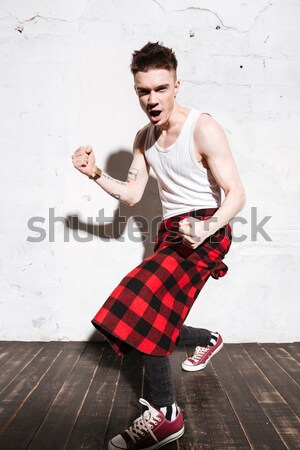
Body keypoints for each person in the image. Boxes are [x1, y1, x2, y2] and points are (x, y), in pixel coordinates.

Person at [71, 42, 246, 450]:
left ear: (176, 86)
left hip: (208, 228)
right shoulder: (144, 138)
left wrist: (209, 226)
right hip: (170, 232)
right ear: (136, 91)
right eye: (143, 91)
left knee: (141, 302)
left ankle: (166, 416)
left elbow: (236, 193)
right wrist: (94, 172)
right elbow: (132, 195)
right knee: (152, 315)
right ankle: (206, 338)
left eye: (160, 89)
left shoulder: (203, 127)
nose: (152, 100)